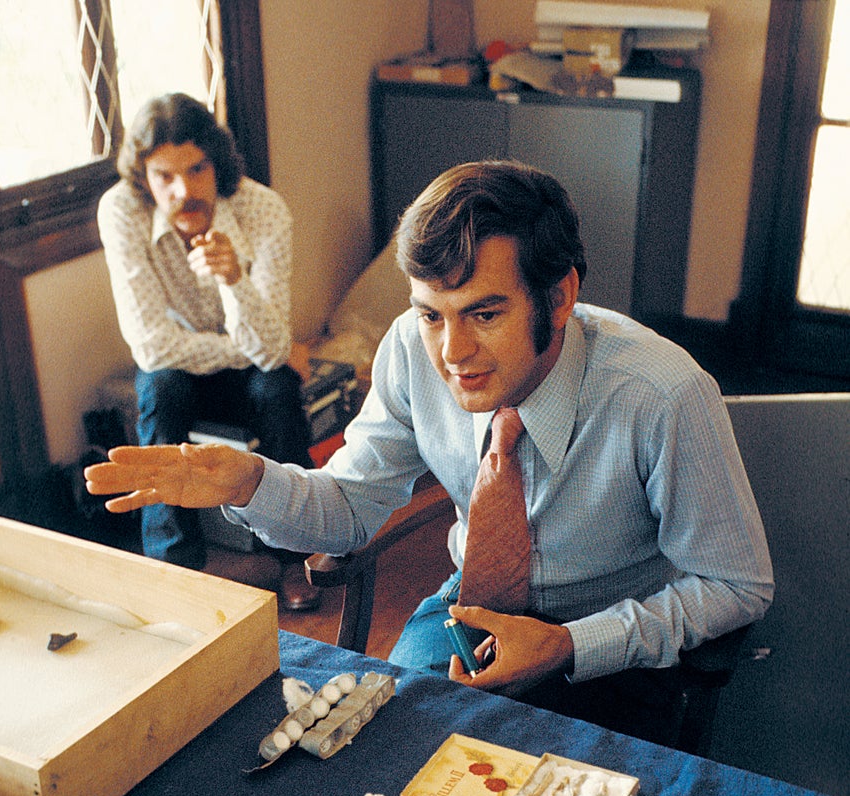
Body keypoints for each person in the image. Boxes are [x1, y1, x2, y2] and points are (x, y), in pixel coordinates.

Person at [86, 159, 774, 746]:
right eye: (430, 313)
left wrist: (571, 645)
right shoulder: (410, 350)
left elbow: (736, 585)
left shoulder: (664, 394)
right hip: (468, 611)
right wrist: (247, 484)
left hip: (613, 643)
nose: (452, 354)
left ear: (560, 295)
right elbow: (350, 506)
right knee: (371, 760)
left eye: (484, 313)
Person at [97, 92, 319, 610]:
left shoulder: (263, 210)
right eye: (164, 177)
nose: (184, 190)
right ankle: (175, 571)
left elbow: (267, 354)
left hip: (249, 372)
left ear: (216, 162)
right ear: (144, 180)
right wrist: (265, 348)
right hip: (181, 368)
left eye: (197, 169)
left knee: (279, 387)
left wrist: (234, 280)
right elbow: (153, 346)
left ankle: (294, 560)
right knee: (159, 388)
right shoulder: (122, 212)